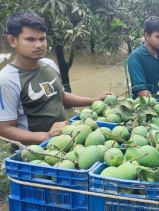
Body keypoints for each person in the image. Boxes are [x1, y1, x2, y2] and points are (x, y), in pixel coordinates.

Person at [0, 11, 113, 147]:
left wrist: (94, 100)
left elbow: (60, 95)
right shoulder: (7, 80)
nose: (39, 45)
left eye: (42, 39)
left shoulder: (49, 64)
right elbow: (5, 128)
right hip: (33, 153)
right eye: (30, 39)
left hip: (63, 143)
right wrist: (46, 136)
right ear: (12, 41)